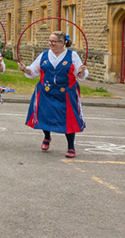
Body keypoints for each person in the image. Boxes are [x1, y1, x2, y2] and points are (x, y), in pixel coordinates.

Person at [19, 30, 88, 158]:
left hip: (66, 93)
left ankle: (71, 146)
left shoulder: (72, 55)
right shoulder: (44, 55)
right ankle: (47, 137)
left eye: (53, 41)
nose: (51, 44)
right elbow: (34, 70)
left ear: (62, 43)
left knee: (69, 119)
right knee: (45, 116)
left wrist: (82, 72)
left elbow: (80, 74)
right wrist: (25, 69)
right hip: (46, 92)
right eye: (50, 41)